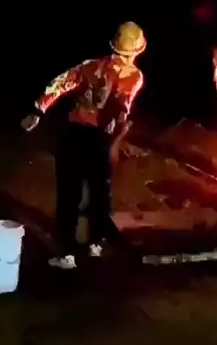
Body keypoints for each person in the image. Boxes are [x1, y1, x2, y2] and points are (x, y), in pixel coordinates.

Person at [21, 21, 146, 269]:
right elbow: (122, 107)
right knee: (99, 192)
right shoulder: (134, 77)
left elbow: (61, 83)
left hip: (74, 134)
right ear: (137, 51)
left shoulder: (91, 66)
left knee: (70, 194)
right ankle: (95, 244)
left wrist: (38, 109)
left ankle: (67, 253)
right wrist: (118, 135)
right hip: (98, 138)